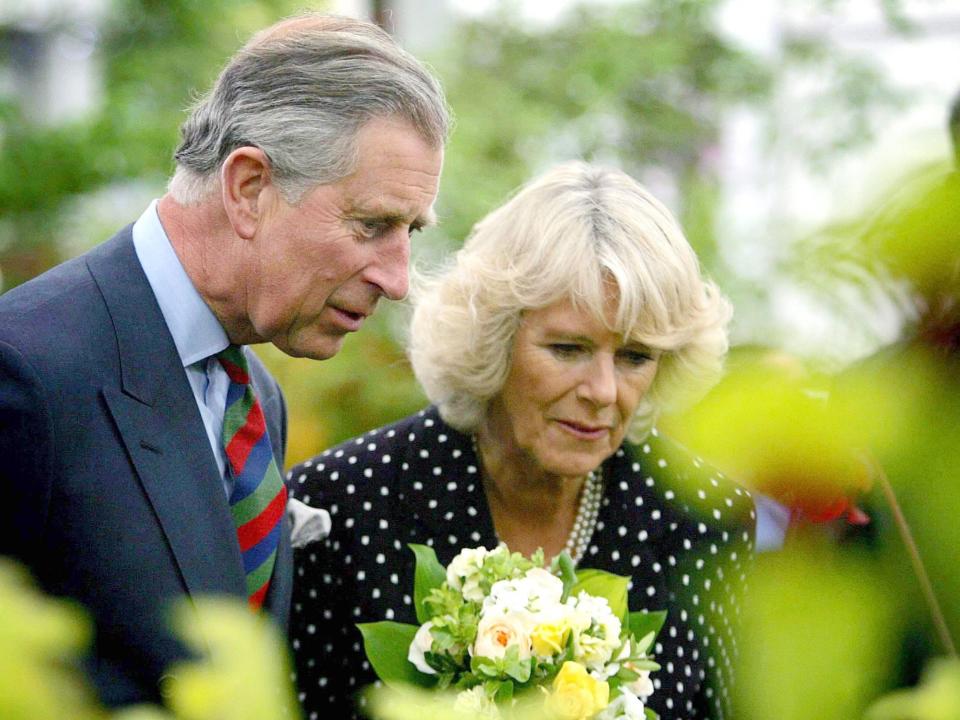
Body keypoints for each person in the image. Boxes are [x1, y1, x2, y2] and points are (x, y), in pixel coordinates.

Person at [0, 13, 448, 708]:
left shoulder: (257, 400)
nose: (396, 276)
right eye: (373, 225)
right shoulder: (26, 370)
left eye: (411, 231)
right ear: (248, 188)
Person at [288, 162, 756, 719]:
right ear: (496, 337)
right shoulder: (340, 504)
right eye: (567, 349)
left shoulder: (703, 516)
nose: (603, 392)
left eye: (635, 357)